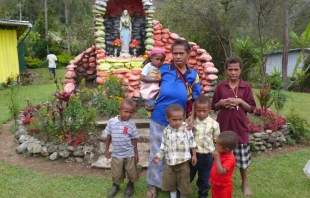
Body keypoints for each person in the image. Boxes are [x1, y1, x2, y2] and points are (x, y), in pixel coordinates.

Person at [146, 39, 201, 198]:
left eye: (181, 53)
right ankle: (154, 186)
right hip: (159, 117)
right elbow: (148, 86)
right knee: (157, 152)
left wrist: (192, 116)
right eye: (175, 53)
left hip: (180, 122)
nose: (177, 56)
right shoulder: (163, 69)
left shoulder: (193, 74)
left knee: (179, 153)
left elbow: (197, 98)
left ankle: (176, 185)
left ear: (188, 54)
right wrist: (147, 101)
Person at [212, 56, 256, 196]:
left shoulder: (246, 86)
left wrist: (240, 101)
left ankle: (244, 183)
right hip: (223, 127)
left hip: (240, 127)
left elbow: (252, 108)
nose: (233, 72)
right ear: (226, 70)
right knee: (221, 155)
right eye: (230, 69)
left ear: (240, 70)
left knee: (242, 158)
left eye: (236, 69)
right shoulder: (221, 86)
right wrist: (222, 103)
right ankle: (216, 179)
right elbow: (214, 106)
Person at [152, 104, 197, 198]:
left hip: (183, 162)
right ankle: (173, 194)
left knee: (184, 181)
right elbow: (163, 146)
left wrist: (194, 155)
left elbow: (192, 143)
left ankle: (183, 195)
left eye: (180, 119)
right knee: (170, 180)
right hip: (169, 163)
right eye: (174, 120)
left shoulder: (186, 128)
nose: (177, 122)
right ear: (167, 118)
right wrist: (158, 157)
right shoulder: (166, 131)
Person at [104, 98, 139, 198]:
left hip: (130, 154)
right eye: (126, 112)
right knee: (117, 172)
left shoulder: (131, 124)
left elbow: (134, 140)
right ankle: (116, 185)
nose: (128, 114)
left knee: (131, 171)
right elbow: (108, 136)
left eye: (130, 112)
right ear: (119, 110)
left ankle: (130, 185)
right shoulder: (112, 122)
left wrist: (136, 153)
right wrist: (107, 150)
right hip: (117, 154)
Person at [190, 95, 220, 198]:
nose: (201, 113)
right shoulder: (191, 122)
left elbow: (217, 141)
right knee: (188, 175)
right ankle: (181, 191)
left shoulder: (214, 124)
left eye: (204, 111)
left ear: (209, 109)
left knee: (205, 179)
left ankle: (203, 195)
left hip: (207, 157)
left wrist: (216, 153)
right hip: (193, 155)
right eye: (198, 111)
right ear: (195, 110)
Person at [210, 131, 238, 198]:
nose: (215, 145)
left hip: (224, 187)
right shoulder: (220, 152)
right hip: (216, 184)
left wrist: (217, 158)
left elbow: (221, 171)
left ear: (226, 149)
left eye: (218, 145)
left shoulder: (230, 159)